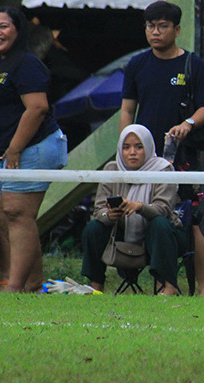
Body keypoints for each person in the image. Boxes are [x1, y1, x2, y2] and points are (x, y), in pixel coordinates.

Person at [120, 0, 204, 298]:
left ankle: (203, 287)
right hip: (143, 160)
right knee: (148, 214)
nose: (155, 32)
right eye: (150, 26)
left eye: (162, 26)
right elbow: (127, 111)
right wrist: (125, 145)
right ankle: (164, 282)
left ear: (177, 29)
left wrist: (187, 123)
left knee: (192, 220)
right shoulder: (136, 65)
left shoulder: (193, 64)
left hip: (182, 158)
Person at [0, 6, 68, 293]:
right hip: (2, 152)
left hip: (33, 147)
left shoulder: (25, 62)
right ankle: (30, 282)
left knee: (18, 213)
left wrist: (15, 148)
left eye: (4, 26)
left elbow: (38, 107)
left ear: (18, 31)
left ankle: (15, 286)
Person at [80, 125, 188, 295]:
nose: (132, 152)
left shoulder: (163, 169)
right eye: (126, 147)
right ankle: (96, 286)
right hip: (121, 232)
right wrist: (110, 215)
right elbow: (99, 209)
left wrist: (139, 207)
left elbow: (164, 209)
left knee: (159, 224)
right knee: (93, 228)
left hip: (162, 235)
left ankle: (168, 286)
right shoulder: (111, 169)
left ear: (148, 147)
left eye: (139, 147)